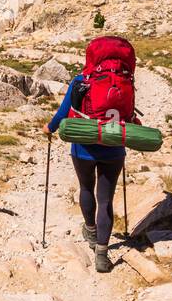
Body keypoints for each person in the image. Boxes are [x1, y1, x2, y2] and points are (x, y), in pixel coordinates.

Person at [44, 39, 132, 273]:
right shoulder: (125, 81)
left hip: (83, 146)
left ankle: (91, 231)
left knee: (85, 188)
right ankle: (102, 256)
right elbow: (129, 114)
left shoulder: (82, 80)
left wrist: (49, 128)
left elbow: (64, 112)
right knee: (106, 200)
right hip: (114, 147)